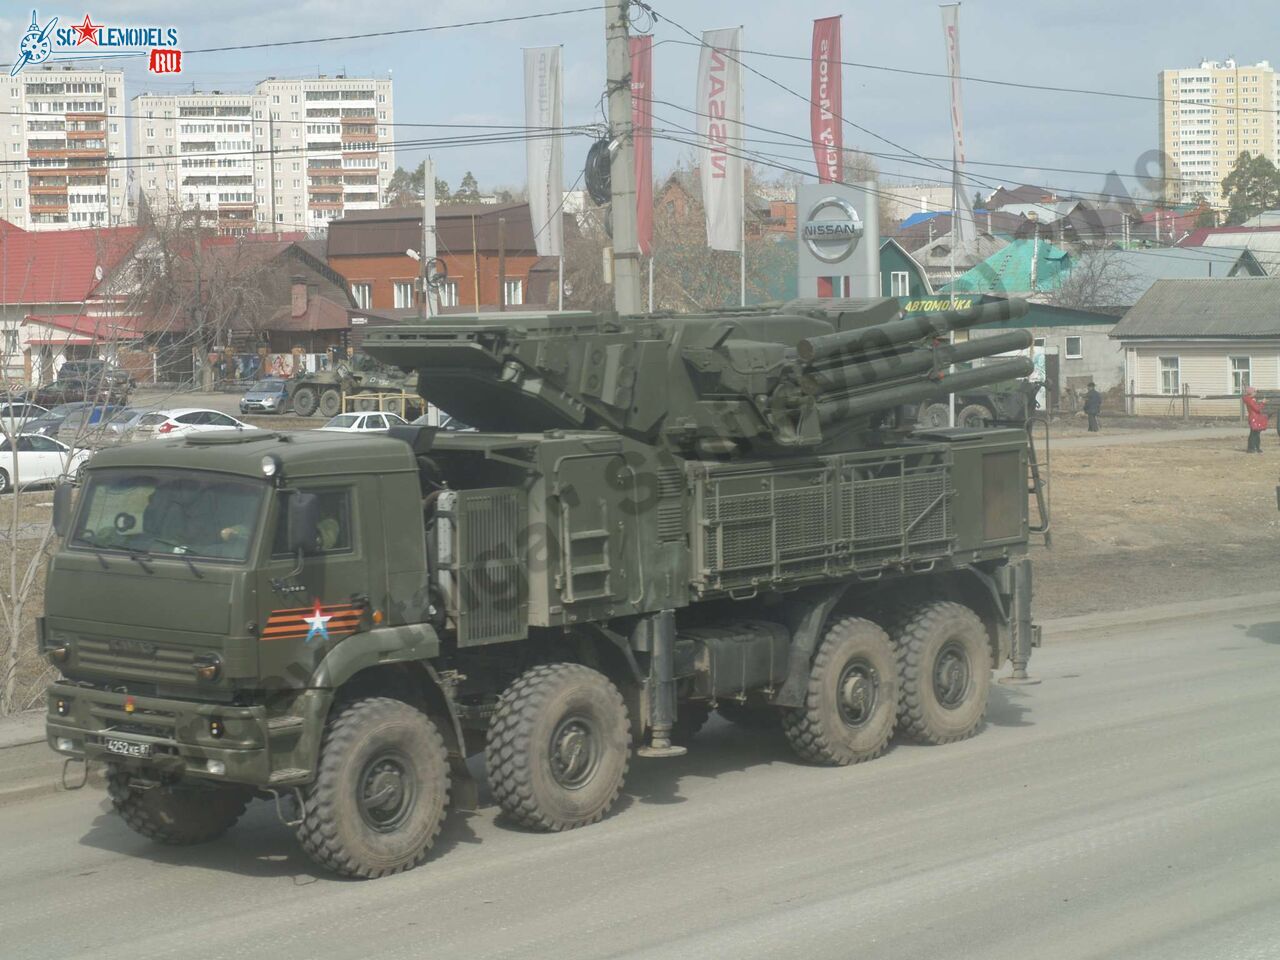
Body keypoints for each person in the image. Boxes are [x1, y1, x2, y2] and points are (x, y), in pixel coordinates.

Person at [1244, 385, 1268, 453]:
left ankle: (1255, 448)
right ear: (1251, 393)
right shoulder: (1250, 400)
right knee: (1254, 434)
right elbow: (1257, 409)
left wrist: (1258, 402)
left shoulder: (1250, 399)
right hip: (1254, 418)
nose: (1255, 393)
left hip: (1254, 418)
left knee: (1255, 433)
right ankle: (1252, 448)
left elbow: (1255, 406)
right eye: (1254, 392)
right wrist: (1263, 403)